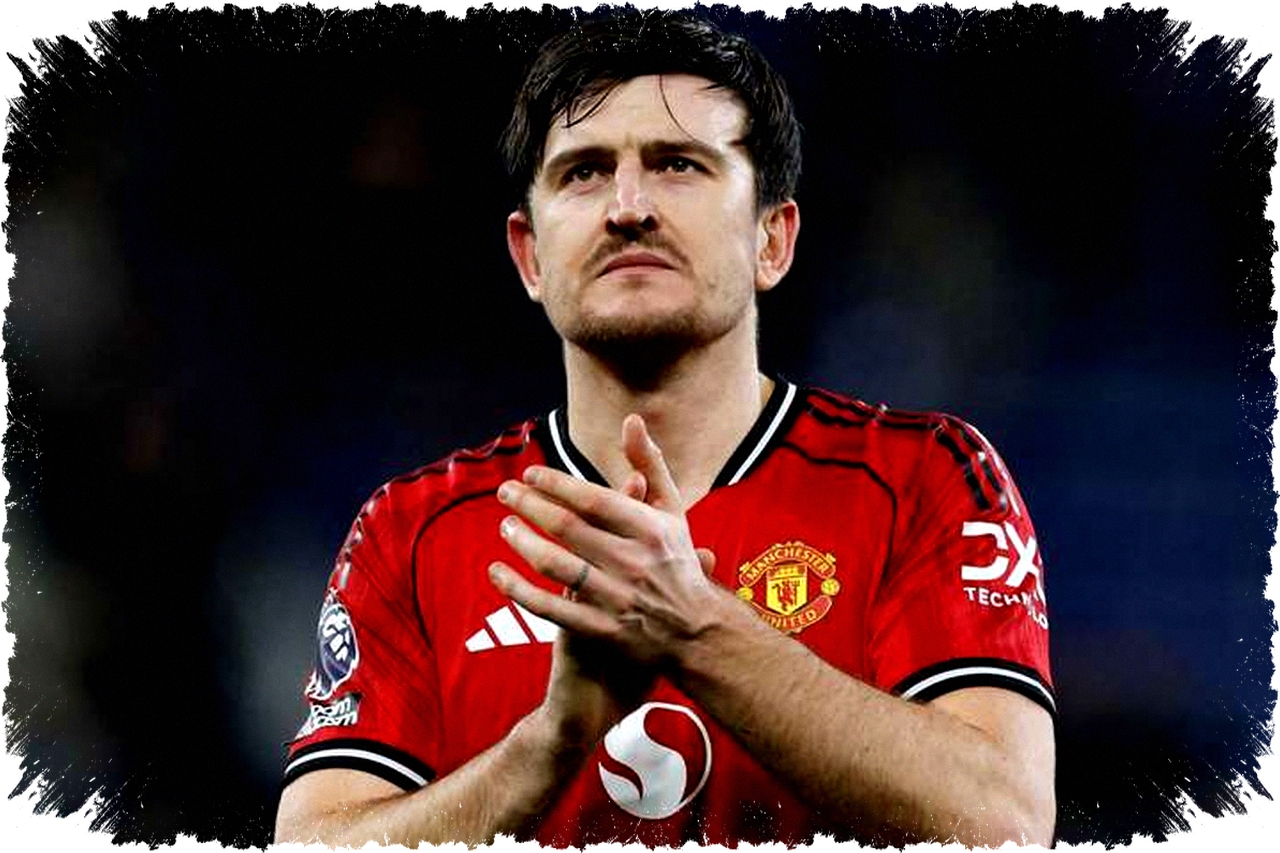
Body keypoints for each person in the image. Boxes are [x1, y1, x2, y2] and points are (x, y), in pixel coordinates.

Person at [274, 11, 1055, 848]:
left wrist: (697, 628)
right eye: (583, 172)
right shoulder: (409, 532)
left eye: (678, 164)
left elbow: (1004, 823)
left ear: (772, 238)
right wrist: (547, 746)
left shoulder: (927, 477)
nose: (628, 207)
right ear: (529, 257)